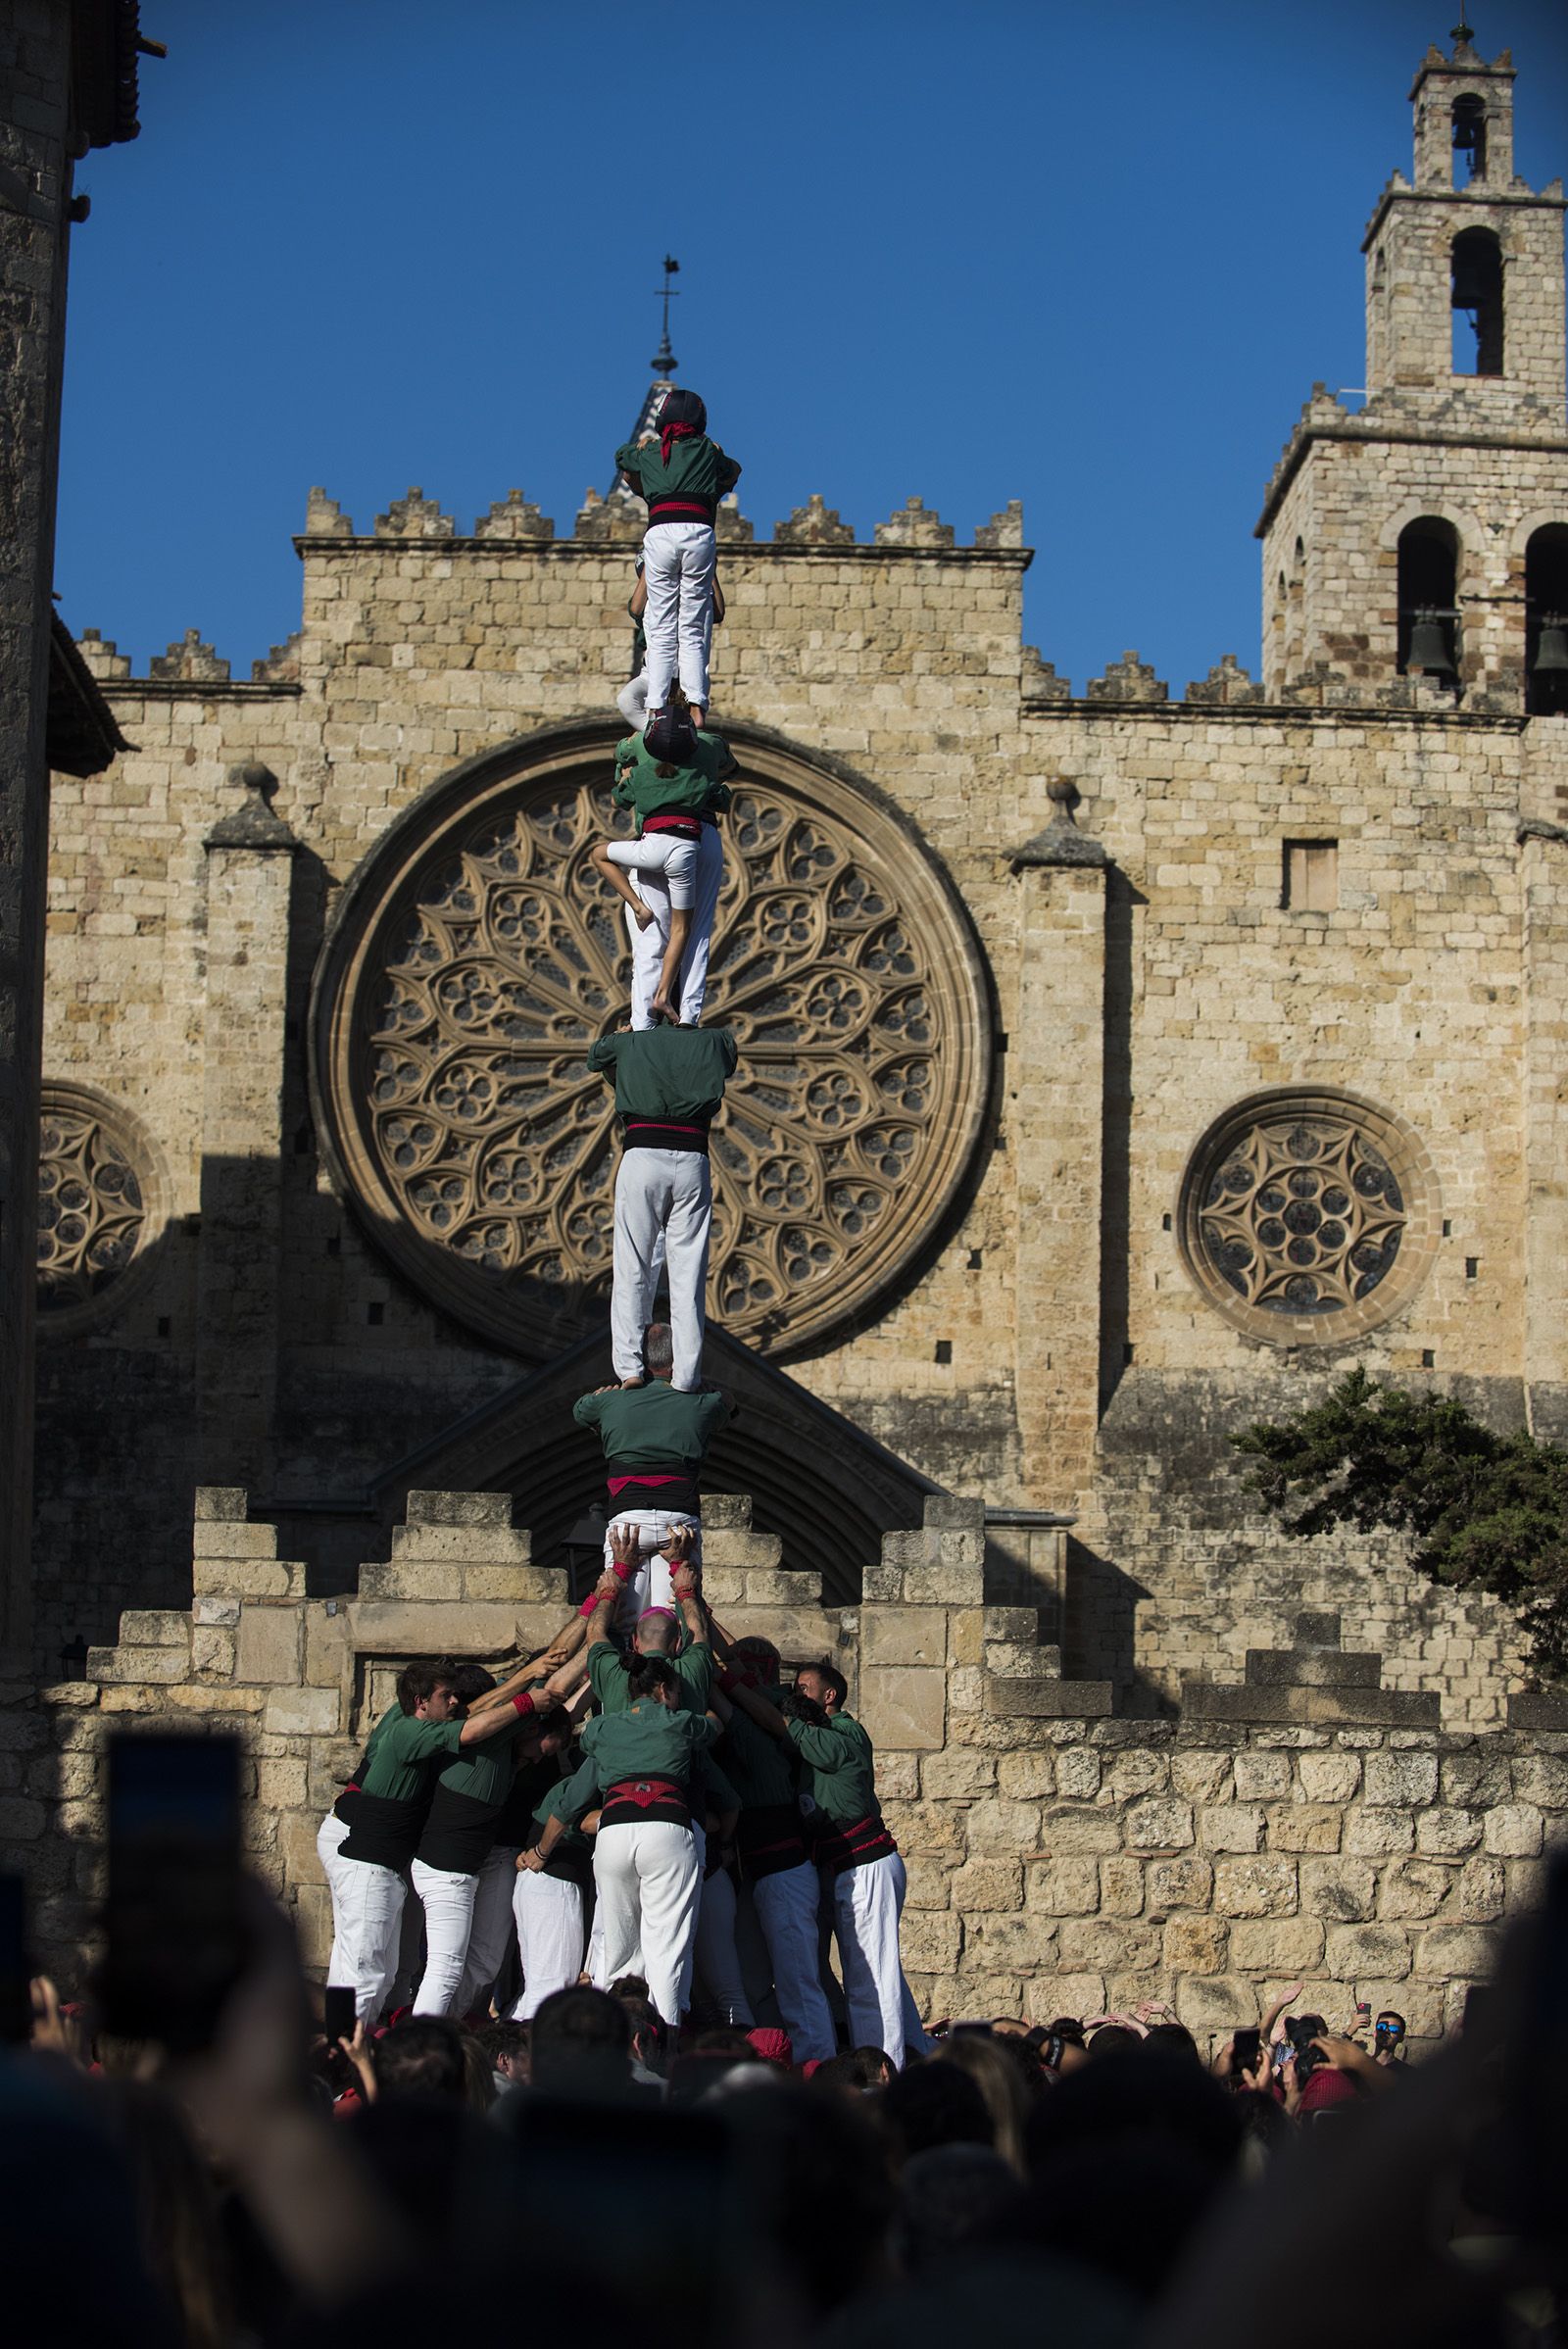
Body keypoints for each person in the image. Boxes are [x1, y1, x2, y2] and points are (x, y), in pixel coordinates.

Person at [327, 1655, 552, 2026]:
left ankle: (359, 2044)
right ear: (420, 1702)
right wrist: (527, 1690)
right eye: (446, 1696)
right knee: (364, 1969)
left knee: (370, 1965)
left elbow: (473, 1715)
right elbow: (473, 1729)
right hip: (367, 1865)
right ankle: (347, 2057)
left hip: (381, 1866)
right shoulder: (407, 1731)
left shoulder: (420, 1727)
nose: (454, 1703)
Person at [724, 1660, 923, 2068]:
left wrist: (723, 1678)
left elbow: (780, 1720)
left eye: (803, 1688)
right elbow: (766, 1699)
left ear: (828, 1696)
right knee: (872, 1972)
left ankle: (881, 2070)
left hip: (866, 1865)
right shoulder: (812, 1731)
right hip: (842, 1867)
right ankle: (910, 2052)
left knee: (870, 1977)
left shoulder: (840, 1735)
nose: (794, 1695)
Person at [524, 1654, 736, 2026]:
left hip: (614, 1835)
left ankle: (612, 2040)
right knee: (666, 1947)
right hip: (666, 1831)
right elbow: (715, 1726)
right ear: (664, 1689)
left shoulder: (601, 1731)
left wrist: (542, 1851)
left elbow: (570, 1803)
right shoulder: (683, 1722)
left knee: (618, 1947)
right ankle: (665, 2042)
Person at [584, 1018, 738, 1393]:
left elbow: (595, 1057)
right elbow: (728, 1057)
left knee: (633, 1266)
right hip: (692, 1158)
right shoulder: (713, 1042)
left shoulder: (634, 1044)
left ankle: (630, 1368)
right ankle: (686, 1376)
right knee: (688, 1275)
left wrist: (624, 1039)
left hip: (644, 1155)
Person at [409, 1682, 570, 2020]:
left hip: (493, 1858)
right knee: (443, 1965)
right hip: (451, 1862)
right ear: (532, 1728)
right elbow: (480, 1715)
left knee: (482, 1962)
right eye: (543, 1747)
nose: (541, 1757)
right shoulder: (489, 1740)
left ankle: (444, 2028)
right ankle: (423, 2040)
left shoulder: (521, 1759)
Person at [710, 1635, 837, 2064]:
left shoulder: (771, 1737)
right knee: (750, 1977)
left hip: (785, 1873)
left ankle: (816, 2065)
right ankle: (773, 2059)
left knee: (799, 1981)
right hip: (758, 1876)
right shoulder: (758, 1729)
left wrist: (703, 1664)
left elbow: (734, 1697)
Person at [590, 704, 735, 1027]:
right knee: (691, 934)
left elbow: (618, 795)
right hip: (690, 845)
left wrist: (624, 768)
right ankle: (685, 1014)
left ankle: (642, 1022)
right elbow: (724, 791)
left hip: (650, 845)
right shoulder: (703, 761)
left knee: (651, 941)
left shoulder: (641, 766)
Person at [613, 385, 741, 733]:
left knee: (661, 629)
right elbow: (733, 471)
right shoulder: (707, 451)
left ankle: (656, 709)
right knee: (693, 627)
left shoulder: (652, 451)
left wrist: (639, 460)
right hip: (699, 534)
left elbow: (622, 459)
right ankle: (697, 706)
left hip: (661, 533)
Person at [573, 1322, 734, 1588]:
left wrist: (604, 1396)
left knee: (621, 1610)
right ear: (679, 1358)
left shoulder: (611, 1402)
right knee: (676, 1610)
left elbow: (581, 1412)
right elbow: (728, 1404)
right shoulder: (702, 1403)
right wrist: (703, 1384)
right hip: (679, 1523)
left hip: (628, 1522)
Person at [618, 557, 725, 733]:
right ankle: (655, 733)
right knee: (627, 699)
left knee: (691, 710)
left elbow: (718, 612)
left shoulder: (694, 596)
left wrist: (709, 571)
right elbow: (636, 608)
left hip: (687, 670)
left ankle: (685, 735)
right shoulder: (651, 601)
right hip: (654, 671)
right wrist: (650, 566)